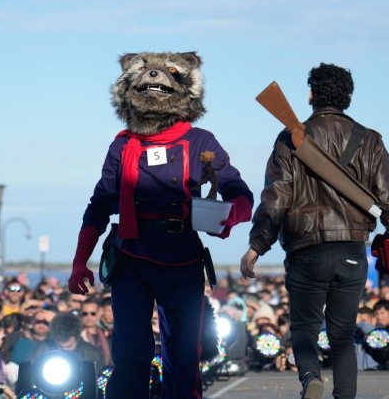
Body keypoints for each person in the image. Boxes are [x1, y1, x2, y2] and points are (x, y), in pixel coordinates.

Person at [67, 51, 253, 399]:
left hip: (181, 259)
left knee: (183, 358)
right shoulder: (122, 145)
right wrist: (80, 261)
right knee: (131, 356)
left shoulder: (201, 142)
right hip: (131, 260)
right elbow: (99, 205)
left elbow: (241, 194)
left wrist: (230, 215)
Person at [242, 63, 389, 399]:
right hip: (351, 249)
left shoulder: (291, 137)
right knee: (343, 335)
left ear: (311, 95)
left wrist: (257, 245)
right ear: (347, 96)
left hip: (306, 250)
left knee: (304, 328)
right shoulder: (369, 140)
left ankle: (311, 378)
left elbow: (277, 198)